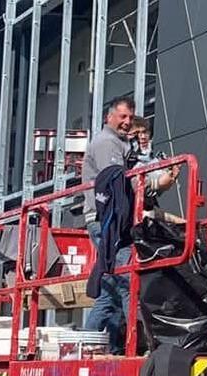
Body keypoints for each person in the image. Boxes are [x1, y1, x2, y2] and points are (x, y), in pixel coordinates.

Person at [83, 96, 136, 355]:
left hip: (109, 221)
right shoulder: (107, 144)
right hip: (107, 222)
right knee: (127, 280)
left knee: (111, 291)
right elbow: (116, 184)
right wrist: (152, 183)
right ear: (109, 117)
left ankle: (95, 345)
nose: (127, 122)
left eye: (130, 118)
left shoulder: (118, 144)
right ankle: (134, 347)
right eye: (122, 116)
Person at [128, 116, 184, 224]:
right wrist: (158, 183)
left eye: (146, 132)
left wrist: (170, 177)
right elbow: (138, 188)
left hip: (145, 215)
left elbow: (150, 204)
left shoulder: (155, 161)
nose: (143, 137)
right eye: (138, 133)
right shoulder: (126, 162)